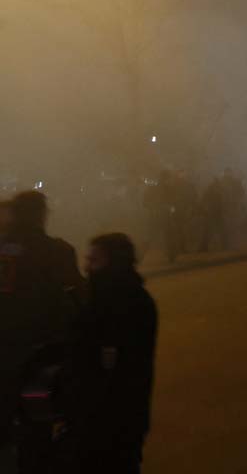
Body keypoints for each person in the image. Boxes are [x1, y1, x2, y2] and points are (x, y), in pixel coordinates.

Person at [0, 191, 83, 470]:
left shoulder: (6, 249)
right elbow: (79, 297)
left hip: (6, 352)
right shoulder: (56, 250)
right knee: (37, 423)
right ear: (41, 215)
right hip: (42, 356)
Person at [72, 232, 157, 473]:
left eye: (94, 261)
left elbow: (114, 364)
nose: (87, 267)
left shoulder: (125, 303)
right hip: (105, 417)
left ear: (114, 263)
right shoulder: (104, 297)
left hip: (113, 418)